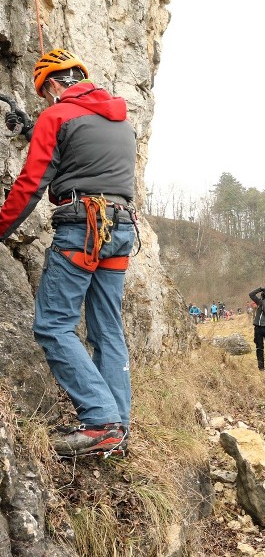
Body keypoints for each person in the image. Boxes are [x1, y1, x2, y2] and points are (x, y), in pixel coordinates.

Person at [0, 49, 137, 456]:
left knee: (54, 325)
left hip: (82, 229)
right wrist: (32, 131)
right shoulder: (121, 121)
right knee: (107, 329)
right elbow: (82, 156)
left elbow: (30, 183)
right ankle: (118, 426)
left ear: (54, 85)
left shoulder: (55, 116)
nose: (45, 103)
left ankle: (99, 420)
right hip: (120, 228)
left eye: (45, 96)